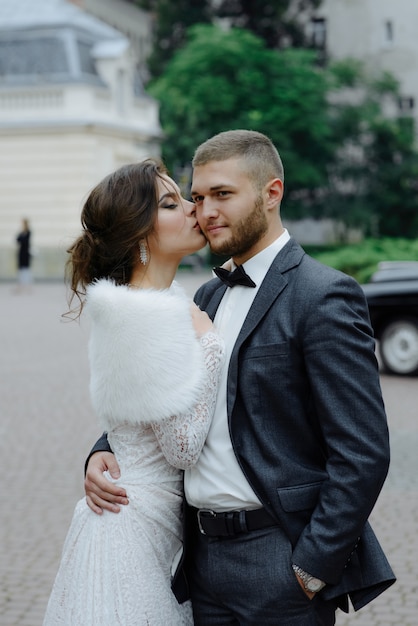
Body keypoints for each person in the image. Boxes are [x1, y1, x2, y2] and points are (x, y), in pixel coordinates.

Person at [84, 131, 396, 625]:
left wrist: (311, 566)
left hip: (280, 559)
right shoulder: (203, 298)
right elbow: (167, 394)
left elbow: (363, 450)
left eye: (223, 195)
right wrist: (104, 446)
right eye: (199, 196)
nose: (206, 211)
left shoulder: (323, 296)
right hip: (198, 563)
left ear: (271, 194)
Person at [43, 159, 225, 625]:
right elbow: (181, 449)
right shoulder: (155, 318)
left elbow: (130, 422)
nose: (192, 209)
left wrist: (98, 453)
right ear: (140, 236)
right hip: (134, 527)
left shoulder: (144, 306)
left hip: (137, 518)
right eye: (172, 204)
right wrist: (208, 348)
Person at [15, 218, 32, 290]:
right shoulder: (21, 232)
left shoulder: (28, 232)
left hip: (26, 253)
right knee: (20, 269)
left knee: (26, 269)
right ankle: (20, 285)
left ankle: (27, 286)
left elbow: (25, 241)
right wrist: (21, 234)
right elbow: (17, 239)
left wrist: (22, 236)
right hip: (21, 253)